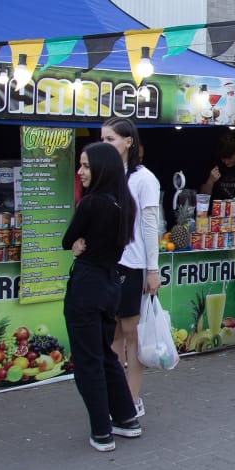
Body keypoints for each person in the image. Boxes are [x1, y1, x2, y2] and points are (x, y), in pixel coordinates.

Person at [62, 142, 142, 452]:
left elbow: (68, 239)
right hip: (111, 285)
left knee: (88, 360)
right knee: (106, 354)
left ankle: (101, 430)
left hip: (87, 285)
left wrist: (78, 244)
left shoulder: (92, 203)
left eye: (85, 166)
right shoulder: (125, 203)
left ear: (101, 169)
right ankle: (126, 418)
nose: (80, 172)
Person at [100, 118, 161, 419]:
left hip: (134, 264)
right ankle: (116, 396)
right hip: (108, 263)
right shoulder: (106, 177)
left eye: (110, 139)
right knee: (112, 334)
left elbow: (151, 225)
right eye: (103, 140)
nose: (105, 145)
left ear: (128, 142)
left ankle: (132, 398)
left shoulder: (144, 179)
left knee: (131, 333)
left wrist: (153, 269)